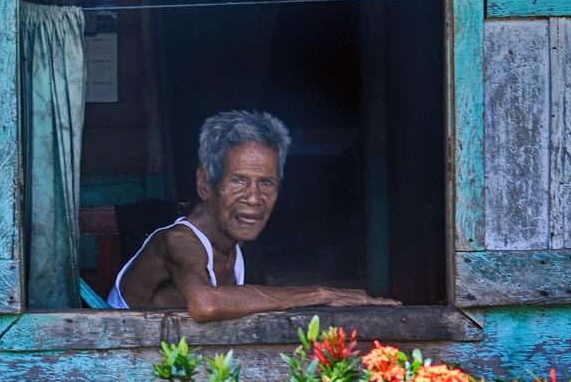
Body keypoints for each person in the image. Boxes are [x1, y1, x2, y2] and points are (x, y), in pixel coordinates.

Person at [107, 110, 399, 322]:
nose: (254, 198)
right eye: (238, 180)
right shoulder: (178, 242)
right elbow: (205, 304)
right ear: (205, 183)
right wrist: (320, 293)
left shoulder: (232, 247)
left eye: (266, 182)